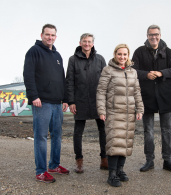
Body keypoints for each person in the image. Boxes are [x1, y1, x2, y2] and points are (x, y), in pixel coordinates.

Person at [23, 24, 70, 183]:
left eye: (53, 35)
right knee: (41, 136)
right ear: (42, 34)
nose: (50, 37)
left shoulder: (57, 56)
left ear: (56, 37)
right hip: (42, 102)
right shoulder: (33, 51)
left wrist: (65, 99)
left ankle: (54, 165)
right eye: (47, 34)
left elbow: (62, 79)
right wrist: (33, 96)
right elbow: (28, 75)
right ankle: (41, 171)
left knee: (57, 135)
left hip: (57, 103)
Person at [132, 25, 171, 172]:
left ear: (160, 35)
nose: (154, 37)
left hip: (164, 95)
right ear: (147, 36)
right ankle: (149, 160)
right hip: (146, 96)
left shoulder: (168, 51)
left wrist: (161, 73)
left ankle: (167, 160)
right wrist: (146, 74)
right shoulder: (139, 52)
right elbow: (132, 70)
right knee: (148, 131)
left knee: (166, 130)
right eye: (151, 35)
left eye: (156, 34)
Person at [96, 44, 144, 187]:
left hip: (129, 113)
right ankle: (111, 174)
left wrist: (140, 108)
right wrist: (102, 111)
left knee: (125, 143)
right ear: (115, 55)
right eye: (119, 54)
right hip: (114, 112)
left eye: (125, 54)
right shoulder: (108, 70)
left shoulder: (133, 72)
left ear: (128, 56)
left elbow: (137, 92)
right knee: (114, 143)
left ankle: (120, 170)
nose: (122, 57)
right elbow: (101, 91)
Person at [66, 33, 108, 173]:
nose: (87, 44)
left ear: (93, 43)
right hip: (80, 101)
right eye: (84, 41)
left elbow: (106, 81)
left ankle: (104, 159)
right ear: (80, 43)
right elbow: (70, 82)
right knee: (78, 132)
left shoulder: (100, 59)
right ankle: (79, 162)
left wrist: (106, 100)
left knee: (103, 130)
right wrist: (71, 101)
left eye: (89, 41)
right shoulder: (73, 60)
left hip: (98, 101)